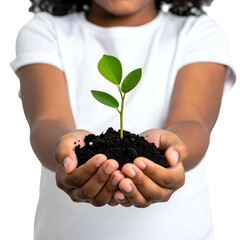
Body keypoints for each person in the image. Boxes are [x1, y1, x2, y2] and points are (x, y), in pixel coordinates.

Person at [10, 0, 236, 239]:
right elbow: (48, 120)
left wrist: (172, 152)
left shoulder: (198, 31)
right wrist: (66, 150)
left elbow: (193, 120)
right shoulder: (45, 30)